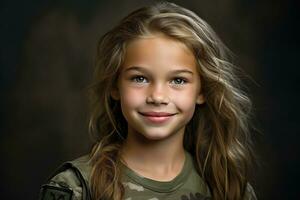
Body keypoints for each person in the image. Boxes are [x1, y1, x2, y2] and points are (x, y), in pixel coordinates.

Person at [39, 1, 258, 200]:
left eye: (178, 80)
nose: (157, 97)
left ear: (202, 91)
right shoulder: (78, 187)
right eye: (140, 78)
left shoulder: (229, 188)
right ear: (115, 86)